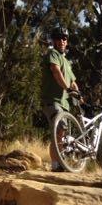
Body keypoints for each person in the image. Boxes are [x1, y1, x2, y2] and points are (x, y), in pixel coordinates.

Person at [41, 25, 81, 171]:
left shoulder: (67, 62)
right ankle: (55, 166)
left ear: (67, 41)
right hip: (52, 100)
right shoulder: (53, 54)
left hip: (64, 104)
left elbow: (73, 83)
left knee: (61, 134)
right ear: (53, 41)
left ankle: (60, 164)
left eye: (64, 38)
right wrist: (67, 89)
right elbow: (56, 71)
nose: (61, 41)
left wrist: (80, 98)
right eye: (58, 38)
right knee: (59, 129)